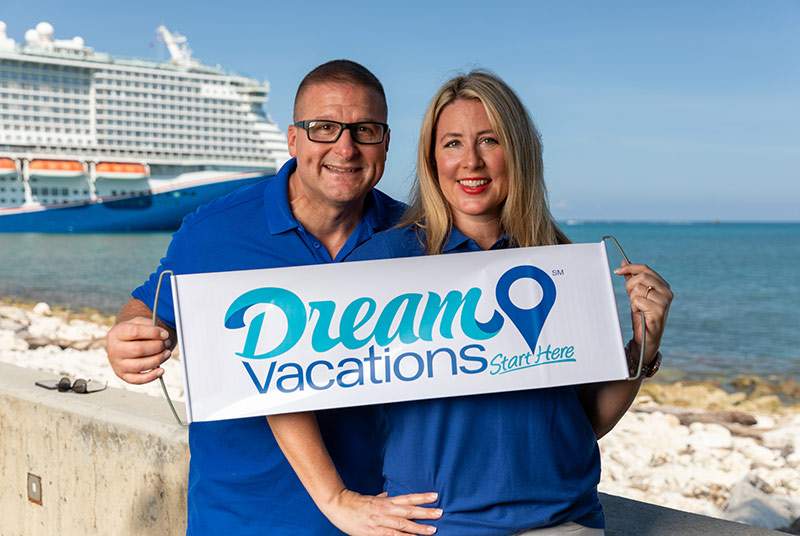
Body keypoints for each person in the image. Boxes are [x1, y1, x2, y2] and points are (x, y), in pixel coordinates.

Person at [267, 70, 674, 535]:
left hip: (567, 521)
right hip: (440, 526)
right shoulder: (383, 261)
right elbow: (283, 381)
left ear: (518, 151)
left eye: (490, 141)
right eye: (453, 144)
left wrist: (643, 342)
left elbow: (586, 423)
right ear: (431, 158)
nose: (471, 163)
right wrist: (336, 499)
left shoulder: (560, 261)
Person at [104, 60, 442, 535]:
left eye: (364, 130)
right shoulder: (216, 230)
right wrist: (131, 336)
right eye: (324, 128)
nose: (344, 147)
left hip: (382, 517)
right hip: (240, 519)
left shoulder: (418, 238)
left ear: (384, 143)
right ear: (293, 139)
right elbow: (152, 303)